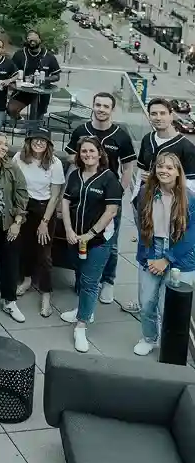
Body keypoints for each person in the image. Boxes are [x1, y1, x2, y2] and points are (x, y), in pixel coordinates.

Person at [63, 91, 136, 305]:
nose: (101, 109)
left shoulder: (120, 135)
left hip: (109, 198)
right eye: (98, 105)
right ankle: (83, 280)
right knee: (81, 236)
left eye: (106, 106)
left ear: (112, 109)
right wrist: (84, 160)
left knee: (109, 243)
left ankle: (108, 282)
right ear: (92, 106)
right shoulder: (81, 130)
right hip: (85, 194)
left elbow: (128, 167)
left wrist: (118, 193)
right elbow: (69, 155)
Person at [60, 136, 123, 352]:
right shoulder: (76, 175)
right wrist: (69, 229)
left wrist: (90, 233)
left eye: (91, 151)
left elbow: (111, 211)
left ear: (100, 153)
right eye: (83, 151)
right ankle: (83, 309)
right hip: (75, 238)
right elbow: (66, 201)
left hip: (97, 241)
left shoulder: (109, 178)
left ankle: (81, 325)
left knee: (89, 281)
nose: (87, 155)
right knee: (79, 273)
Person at [132, 152, 195, 356]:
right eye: (160, 166)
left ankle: (169, 345)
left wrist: (167, 258)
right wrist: (150, 254)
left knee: (169, 306)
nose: (163, 171)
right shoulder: (145, 193)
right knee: (147, 302)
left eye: (169, 167)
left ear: (177, 172)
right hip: (152, 247)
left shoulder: (189, 197)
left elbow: (191, 235)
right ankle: (149, 337)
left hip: (180, 255)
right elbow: (142, 227)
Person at [13, 127, 65, 317]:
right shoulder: (19, 157)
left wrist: (45, 221)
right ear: (29, 141)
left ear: (48, 144)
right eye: (36, 139)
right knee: (25, 247)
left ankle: (46, 294)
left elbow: (55, 195)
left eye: (43, 140)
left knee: (44, 254)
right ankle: (26, 280)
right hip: (24, 204)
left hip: (44, 207)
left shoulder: (55, 163)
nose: (39, 143)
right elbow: (13, 183)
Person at [0, 132, 29, 324]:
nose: (4, 147)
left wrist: (17, 222)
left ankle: (9, 301)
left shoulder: (12, 168)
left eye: (6, 144)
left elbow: (22, 195)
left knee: (10, 262)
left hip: (9, 224)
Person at [6, 29, 61, 123]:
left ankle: (33, 132)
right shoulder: (19, 55)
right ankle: (21, 122)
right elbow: (11, 72)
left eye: (35, 38)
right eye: (29, 38)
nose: (32, 41)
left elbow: (57, 76)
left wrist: (44, 79)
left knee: (38, 117)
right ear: (27, 41)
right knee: (11, 109)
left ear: (40, 40)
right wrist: (11, 82)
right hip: (23, 90)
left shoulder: (49, 56)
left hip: (42, 92)